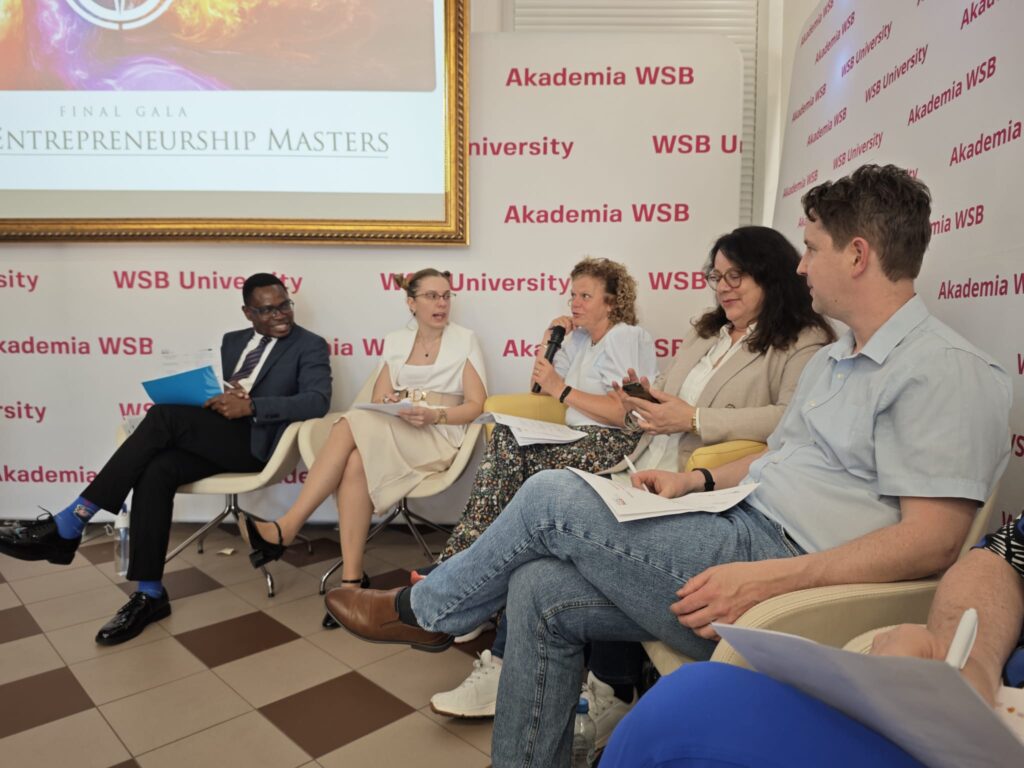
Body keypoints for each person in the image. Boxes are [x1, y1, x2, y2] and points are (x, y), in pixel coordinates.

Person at [322, 164, 1012, 768]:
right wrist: (695, 481)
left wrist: (772, 577)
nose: (801, 267)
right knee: (535, 588)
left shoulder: (943, 370)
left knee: (552, 495)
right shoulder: (837, 359)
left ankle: (429, 610)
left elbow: (934, 541)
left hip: (783, 571)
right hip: (737, 524)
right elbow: (780, 458)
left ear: (857, 255)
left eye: (811, 248)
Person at [429, 230, 834, 730]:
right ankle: (513, 657)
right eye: (717, 276)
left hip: (692, 479)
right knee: (538, 521)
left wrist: (695, 419)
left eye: (737, 276)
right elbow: (658, 395)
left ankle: (466, 615)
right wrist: (638, 400)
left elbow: (789, 419)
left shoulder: (803, 340)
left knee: (546, 504)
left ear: (772, 275)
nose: (724, 287)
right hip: (640, 455)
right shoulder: (706, 333)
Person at [0, 273, 332, 645]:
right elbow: (229, 386)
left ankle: (72, 520)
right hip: (218, 435)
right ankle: (150, 593)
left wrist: (252, 405)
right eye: (267, 310)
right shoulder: (233, 340)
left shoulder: (310, 345)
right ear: (247, 313)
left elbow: (317, 400)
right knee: (157, 469)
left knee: (162, 418)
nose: (280, 314)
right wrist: (219, 395)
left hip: (257, 445)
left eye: (285, 305)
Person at [600, 512, 1024, 767]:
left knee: (561, 500)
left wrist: (775, 576)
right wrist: (971, 662)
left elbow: (935, 537)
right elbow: (1001, 556)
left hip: (785, 543)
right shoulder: (827, 381)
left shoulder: (942, 389)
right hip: (981, 727)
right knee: (685, 701)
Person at [425, 256, 654, 716]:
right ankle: (467, 581)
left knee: (514, 460)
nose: (575, 303)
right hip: (575, 438)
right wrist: (554, 338)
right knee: (506, 441)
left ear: (612, 301)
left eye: (585, 295)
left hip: (613, 444)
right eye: (572, 295)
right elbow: (538, 389)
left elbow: (628, 414)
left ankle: (458, 573)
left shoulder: (627, 337)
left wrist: (562, 389)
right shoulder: (582, 340)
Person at [241, 269, 487, 623]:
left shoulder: (465, 339)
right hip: (400, 427)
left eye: (446, 295)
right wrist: (394, 403)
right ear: (411, 303)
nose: (441, 303)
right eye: (432, 296)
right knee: (355, 461)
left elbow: (476, 405)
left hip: (439, 433)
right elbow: (379, 398)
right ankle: (352, 585)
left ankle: (287, 526)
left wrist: (435, 415)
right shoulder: (395, 341)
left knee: (349, 422)